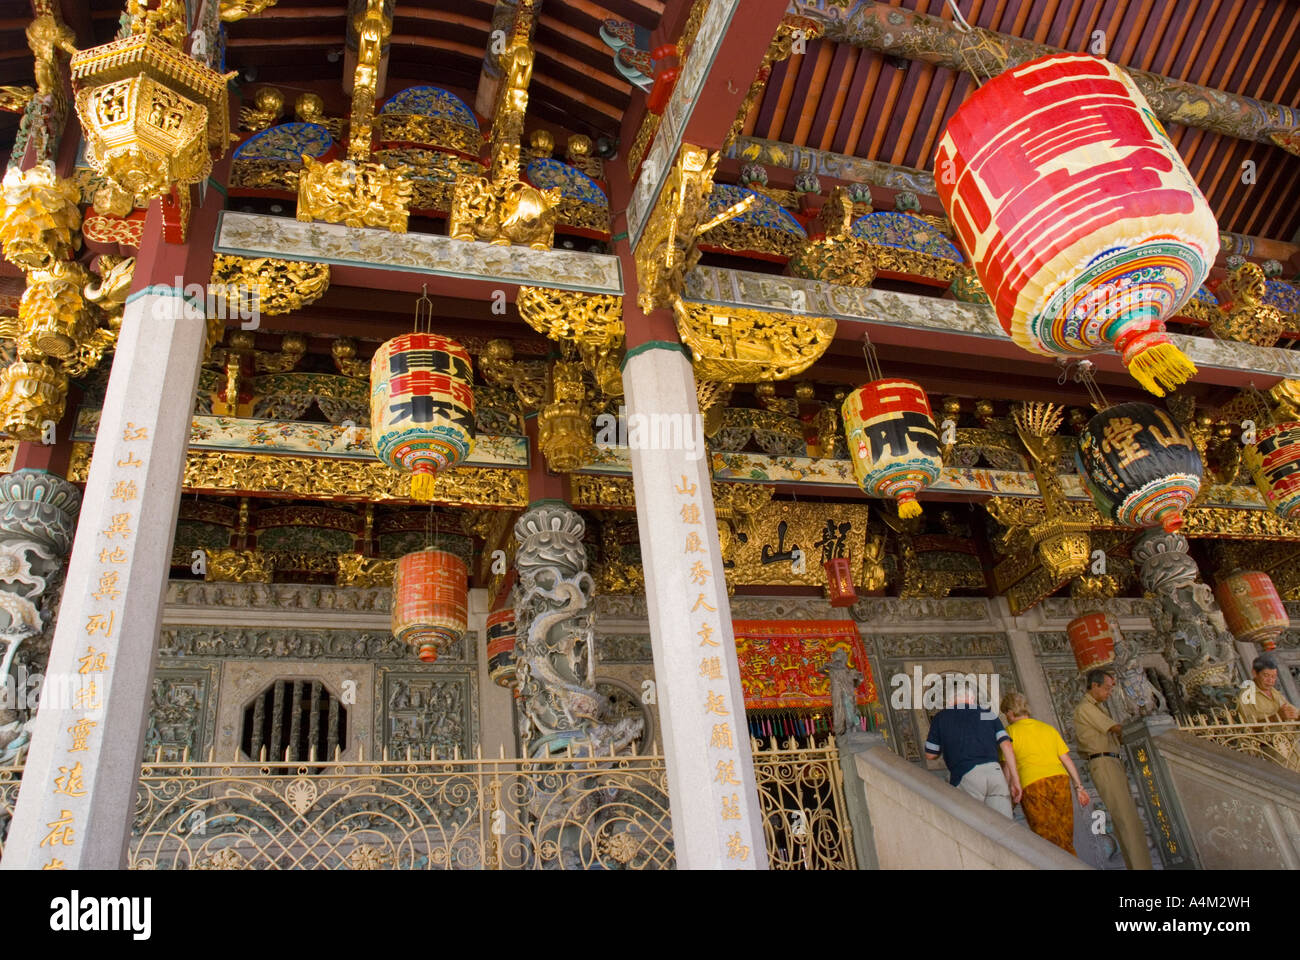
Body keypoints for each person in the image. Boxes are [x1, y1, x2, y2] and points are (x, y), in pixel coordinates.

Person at [1073, 670, 1152, 870]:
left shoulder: (1099, 708)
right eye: (1107, 688)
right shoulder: (1085, 708)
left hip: (1112, 761)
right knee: (1125, 818)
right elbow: (1115, 729)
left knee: (1127, 818)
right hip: (1103, 762)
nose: (1109, 692)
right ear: (1094, 686)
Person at [1000, 691, 1089, 854]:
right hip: (1060, 781)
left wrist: (1006, 793)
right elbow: (1067, 759)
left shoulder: (1009, 733)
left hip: (1033, 785)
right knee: (1065, 833)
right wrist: (1079, 786)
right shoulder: (1048, 729)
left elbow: (1007, 767)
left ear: (1010, 713)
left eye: (1005, 714)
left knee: (1048, 838)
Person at [925, 680, 1022, 818]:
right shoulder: (987, 714)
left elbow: (930, 754)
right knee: (1004, 826)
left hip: (967, 774)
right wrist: (1015, 780)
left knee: (974, 825)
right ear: (972, 699)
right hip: (995, 773)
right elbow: (1006, 745)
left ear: (950, 701)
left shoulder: (941, 718)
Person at [1237, 655, 1299, 723]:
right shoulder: (1246, 695)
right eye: (1266, 675)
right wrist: (1277, 717)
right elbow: (1249, 728)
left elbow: (1293, 712)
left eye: (1273, 676)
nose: (1270, 680)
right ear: (1254, 673)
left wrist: (1295, 715)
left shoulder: (1274, 692)